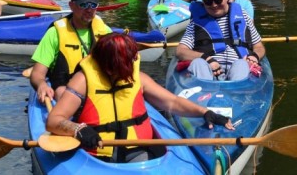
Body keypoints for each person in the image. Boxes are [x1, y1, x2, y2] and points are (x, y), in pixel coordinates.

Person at [46, 32, 233, 163]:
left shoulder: (138, 77)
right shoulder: (83, 80)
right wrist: (78, 128)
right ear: (108, 64)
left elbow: (172, 102)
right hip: (94, 154)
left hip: (136, 151)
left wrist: (205, 112)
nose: (131, 67)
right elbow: (53, 120)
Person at [30, 0, 112, 102]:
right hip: (66, 89)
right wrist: (41, 85)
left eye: (93, 5)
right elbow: (37, 74)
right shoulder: (55, 33)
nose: (89, 10)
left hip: (97, 86)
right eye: (83, 5)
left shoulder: (105, 30)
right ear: (71, 6)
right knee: (62, 93)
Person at [176, 0, 265, 81]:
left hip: (238, 71)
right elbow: (180, 51)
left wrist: (254, 56)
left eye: (218, 0)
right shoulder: (196, 22)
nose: (214, 5)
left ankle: (236, 93)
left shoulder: (243, 16)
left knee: (241, 64)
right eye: (208, 2)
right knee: (198, 63)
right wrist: (206, 58)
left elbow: (259, 46)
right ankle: (205, 94)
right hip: (207, 71)